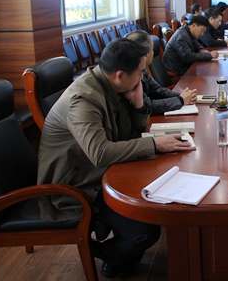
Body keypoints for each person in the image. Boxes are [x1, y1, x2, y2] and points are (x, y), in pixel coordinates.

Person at [37, 38, 195, 279]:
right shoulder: (84, 100)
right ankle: (101, 253)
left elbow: (132, 129)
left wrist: (139, 103)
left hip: (104, 172)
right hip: (77, 186)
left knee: (161, 187)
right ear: (120, 75)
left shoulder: (112, 84)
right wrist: (154, 144)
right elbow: (100, 153)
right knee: (144, 231)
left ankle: (120, 259)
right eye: (140, 72)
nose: (143, 77)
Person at [126, 30, 197, 114]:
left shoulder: (141, 69)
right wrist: (180, 100)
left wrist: (182, 95)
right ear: (146, 54)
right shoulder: (130, 74)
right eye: (152, 49)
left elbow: (158, 90)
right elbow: (147, 106)